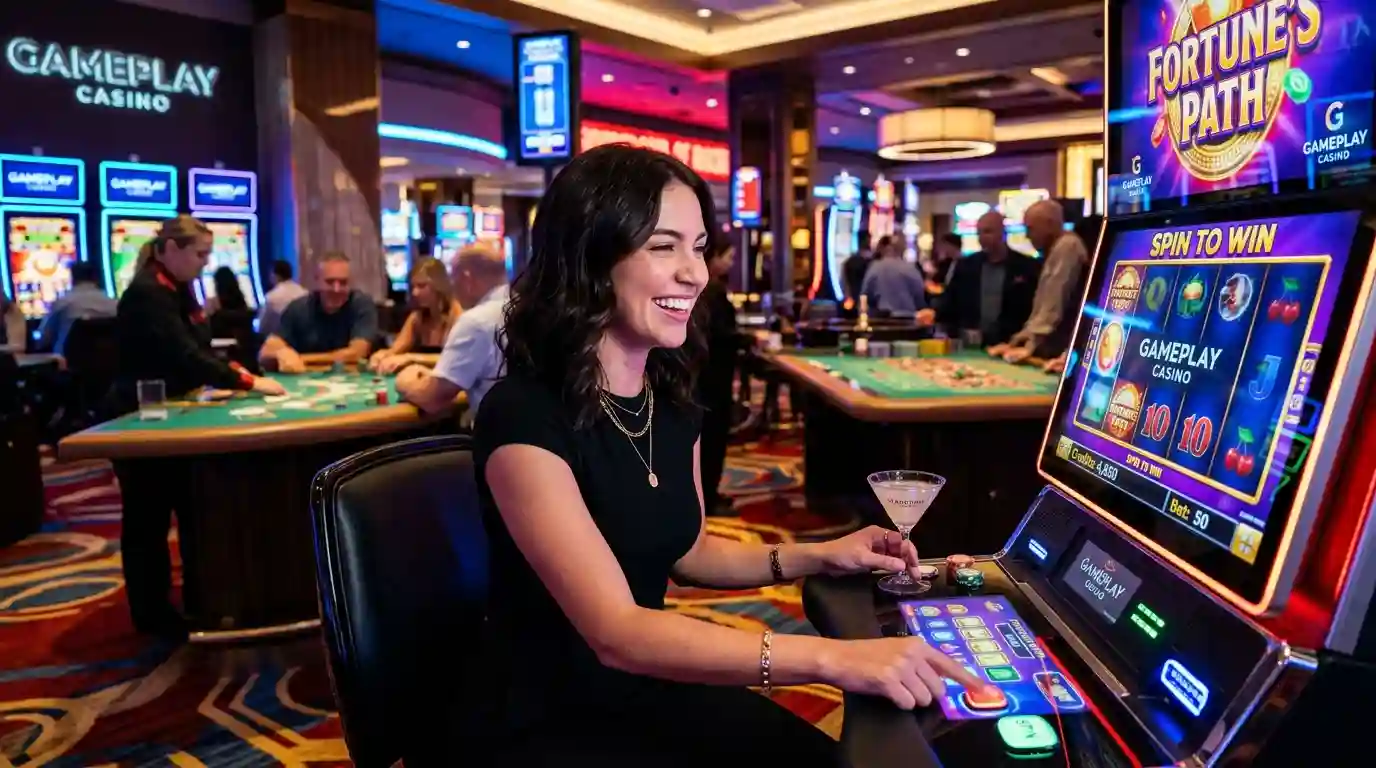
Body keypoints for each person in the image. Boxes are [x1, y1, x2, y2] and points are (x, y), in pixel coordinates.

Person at [470, 144, 987, 764]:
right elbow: (616, 633)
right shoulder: (523, 414)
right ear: (589, 259)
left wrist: (821, 554)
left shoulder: (668, 395)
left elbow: (690, 553)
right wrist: (834, 658)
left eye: (697, 245)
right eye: (663, 246)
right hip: (550, 713)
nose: (696, 272)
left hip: (648, 679)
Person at [108, 215, 284, 638]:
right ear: (171, 250)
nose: (206, 262)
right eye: (200, 253)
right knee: (147, 520)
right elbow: (185, 356)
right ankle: (151, 616)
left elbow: (200, 349)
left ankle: (196, 600)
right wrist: (249, 381)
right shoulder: (147, 294)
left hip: (170, 413)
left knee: (189, 509)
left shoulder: (178, 289)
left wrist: (239, 375)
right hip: (140, 418)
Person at [395, 244, 509, 416]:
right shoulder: (527, 307)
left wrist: (404, 382)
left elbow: (431, 399)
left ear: (466, 277)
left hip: (498, 438)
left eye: (453, 279)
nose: (453, 288)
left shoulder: (476, 321)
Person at [988, 200, 1089, 364]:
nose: (1027, 236)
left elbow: (1053, 305)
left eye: (1031, 229)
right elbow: (1042, 306)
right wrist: (1020, 339)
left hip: (1060, 347)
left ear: (1050, 224)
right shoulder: (1056, 248)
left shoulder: (1068, 246)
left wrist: (1029, 346)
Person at [927, 211, 1039, 347]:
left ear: (1003, 233)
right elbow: (950, 300)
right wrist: (934, 313)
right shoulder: (966, 265)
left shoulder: (1026, 266)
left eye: (987, 232)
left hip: (1012, 343)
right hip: (970, 344)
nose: (981, 238)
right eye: (978, 233)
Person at [259, 252, 378, 373]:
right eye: (330, 282)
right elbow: (264, 354)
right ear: (317, 281)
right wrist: (281, 354)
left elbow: (356, 354)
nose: (336, 289)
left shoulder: (361, 304)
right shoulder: (298, 307)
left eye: (343, 283)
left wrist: (300, 358)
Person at [697, 242, 738, 517]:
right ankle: (709, 499)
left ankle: (709, 495)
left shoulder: (704, 291)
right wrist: (749, 341)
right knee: (713, 440)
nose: (731, 263)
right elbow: (722, 336)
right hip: (713, 379)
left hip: (704, 378)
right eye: (729, 257)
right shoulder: (711, 292)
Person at [368, 258, 462, 375]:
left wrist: (410, 358)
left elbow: (455, 358)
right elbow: (396, 349)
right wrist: (382, 356)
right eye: (413, 287)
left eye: (422, 286)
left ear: (439, 286)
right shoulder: (417, 317)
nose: (415, 292)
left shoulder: (458, 314)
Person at [34, 261, 117, 356]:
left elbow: (43, 340)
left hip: (67, 364)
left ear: (73, 278)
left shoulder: (63, 303)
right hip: (107, 364)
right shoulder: (114, 304)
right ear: (97, 279)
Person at [860, 234, 931, 319]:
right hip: (908, 318)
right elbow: (919, 296)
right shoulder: (911, 269)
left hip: (883, 318)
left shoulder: (875, 268)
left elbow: (865, 295)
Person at [258, 260, 307, 337]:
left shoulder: (272, 297)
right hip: (304, 341)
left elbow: (262, 327)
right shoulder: (304, 292)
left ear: (277, 276)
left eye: (271, 274)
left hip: (281, 342)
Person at [841, 230, 872, 312]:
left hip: (855, 301)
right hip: (869, 302)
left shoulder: (850, 262)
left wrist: (847, 297)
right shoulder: (873, 262)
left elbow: (844, 283)